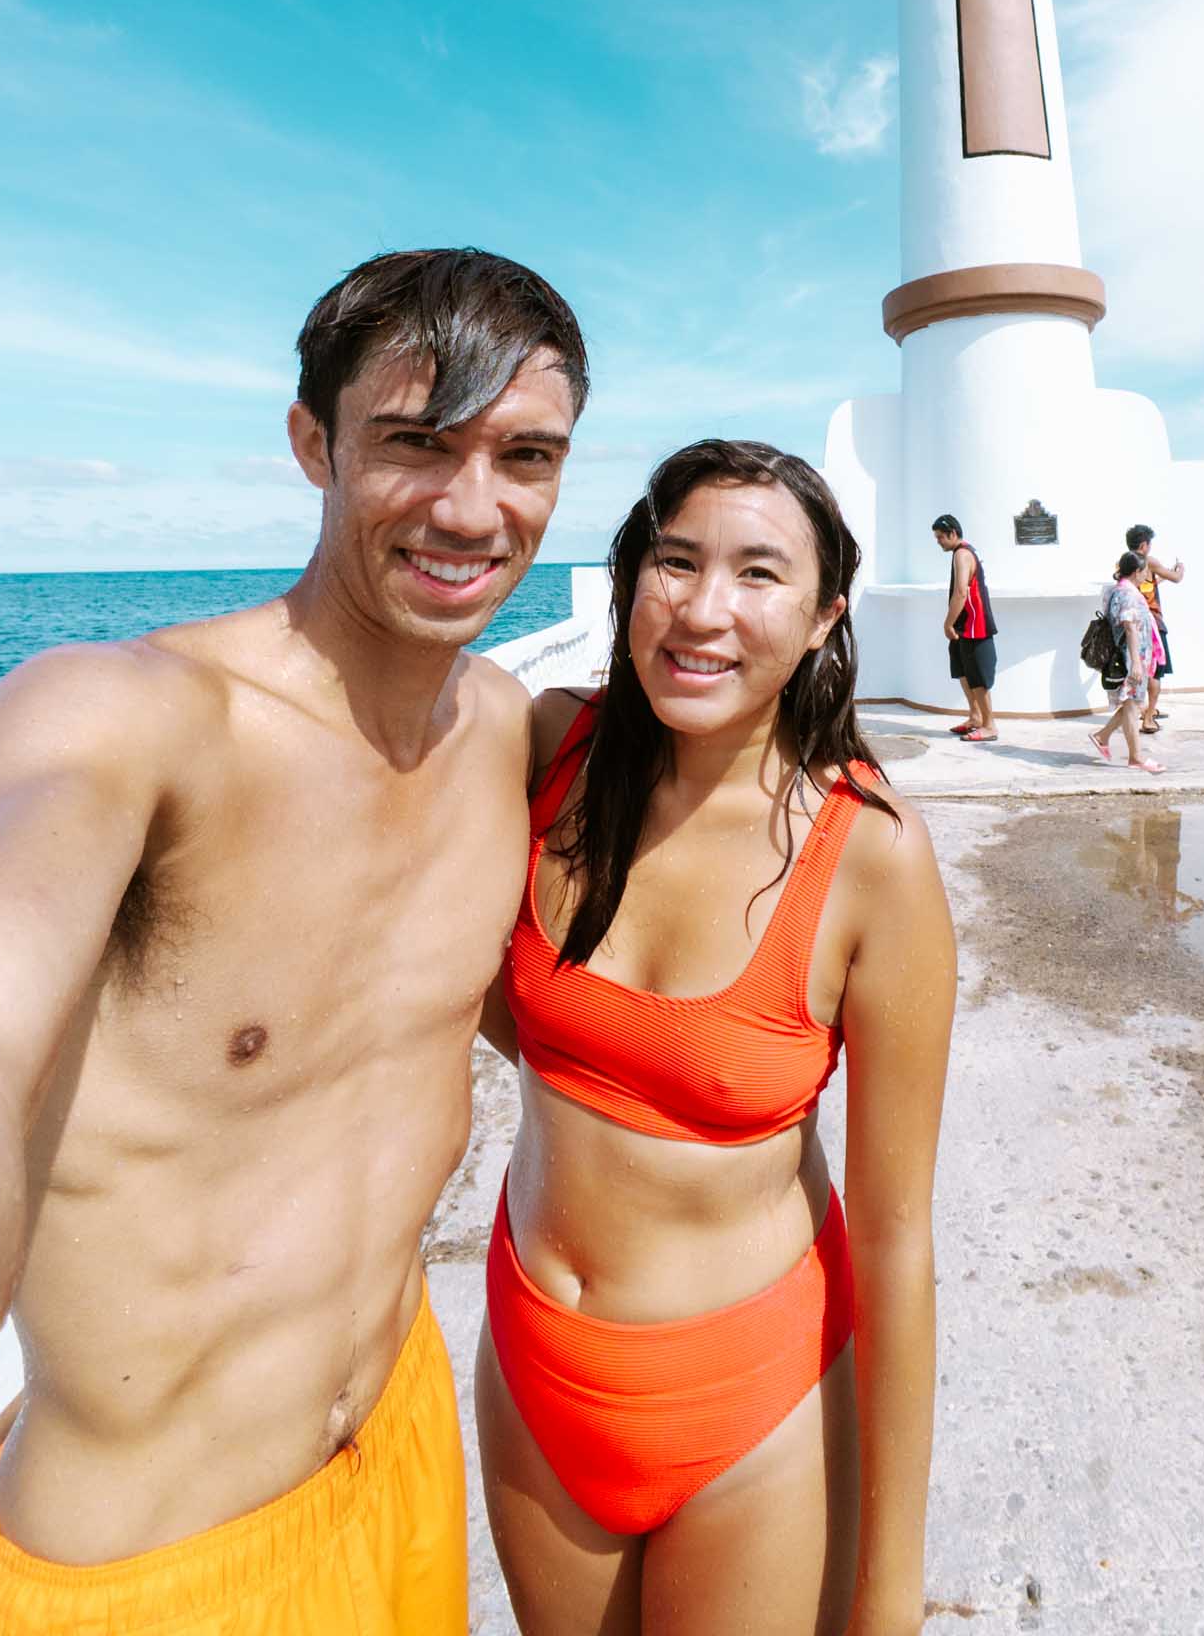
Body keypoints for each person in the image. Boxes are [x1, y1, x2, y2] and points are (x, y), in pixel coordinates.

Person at [0, 248, 587, 1636]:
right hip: (146, 1576)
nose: (473, 507)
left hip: (400, 1447)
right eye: (413, 444)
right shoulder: (124, 719)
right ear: (310, 443)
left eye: (524, 456)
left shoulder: (509, 736)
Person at [476, 440, 956, 1636]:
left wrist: (890, 1592)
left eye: (758, 576)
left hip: (750, 1394)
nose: (702, 611)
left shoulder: (871, 859)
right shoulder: (550, 751)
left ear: (822, 618)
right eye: (675, 563)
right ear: (633, 573)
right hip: (534, 1353)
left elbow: (897, 1243)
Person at [1089, 551, 1165, 775]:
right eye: (1144, 572)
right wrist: (1136, 663)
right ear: (1136, 572)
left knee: (1132, 704)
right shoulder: (1128, 594)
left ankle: (1102, 736)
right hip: (1131, 657)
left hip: (1130, 656)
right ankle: (1136, 757)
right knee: (1132, 706)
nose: (1146, 577)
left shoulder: (1117, 590)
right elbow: (1129, 626)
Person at [931, 513, 998, 742]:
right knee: (963, 671)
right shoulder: (958, 553)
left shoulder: (962, 554)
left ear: (953, 534)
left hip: (973, 625)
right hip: (963, 626)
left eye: (940, 537)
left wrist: (947, 622)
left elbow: (961, 592)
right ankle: (975, 716)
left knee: (977, 675)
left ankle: (990, 725)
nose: (938, 541)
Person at [1125, 522, 1184, 738]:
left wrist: (1157, 580)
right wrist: (1180, 569)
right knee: (1156, 671)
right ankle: (1149, 717)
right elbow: (1176, 578)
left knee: (1138, 667)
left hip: (1133, 623)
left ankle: (1143, 710)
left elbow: (1143, 584)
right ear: (1144, 544)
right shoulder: (1149, 561)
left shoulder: (1124, 563)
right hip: (1153, 623)